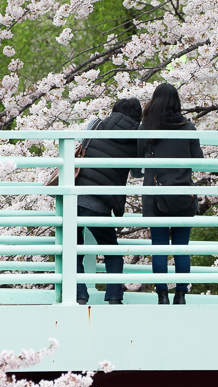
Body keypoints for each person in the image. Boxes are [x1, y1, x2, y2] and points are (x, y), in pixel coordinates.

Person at [73, 97, 142, 305]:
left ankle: (79, 294)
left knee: (73, 248)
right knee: (112, 252)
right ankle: (114, 296)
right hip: (100, 204)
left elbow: (81, 149)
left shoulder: (96, 125)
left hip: (75, 196)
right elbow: (139, 172)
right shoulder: (137, 137)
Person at [140, 82, 202, 304]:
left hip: (155, 194)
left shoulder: (147, 127)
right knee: (181, 247)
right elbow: (198, 160)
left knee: (159, 246)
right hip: (183, 193)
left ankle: (162, 294)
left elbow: (137, 168)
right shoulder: (188, 128)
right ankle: (181, 294)